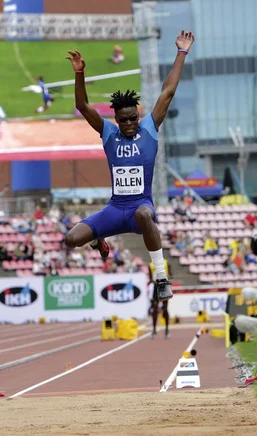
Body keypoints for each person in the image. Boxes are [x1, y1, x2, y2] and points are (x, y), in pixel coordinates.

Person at [63, 29, 196, 303]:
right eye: (122, 120)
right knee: (70, 239)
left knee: (145, 216)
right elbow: (82, 105)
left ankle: (161, 278)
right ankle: (98, 239)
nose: (128, 123)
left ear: (138, 114)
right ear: (116, 119)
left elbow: (168, 91)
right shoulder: (108, 133)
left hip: (140, 207)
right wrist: (79, 73)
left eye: (132, 118)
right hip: (115, 209)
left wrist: (182, 52)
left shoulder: (149, 128)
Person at [149, 258, 172, 339]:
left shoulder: (166, 262)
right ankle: (154, 330)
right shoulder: (151, 264)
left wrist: (166, 279)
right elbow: (150, 278)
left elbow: (170, 274)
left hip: (164, 285)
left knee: (165, 309)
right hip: (155, 286)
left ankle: (167, 330)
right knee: (155, 309)